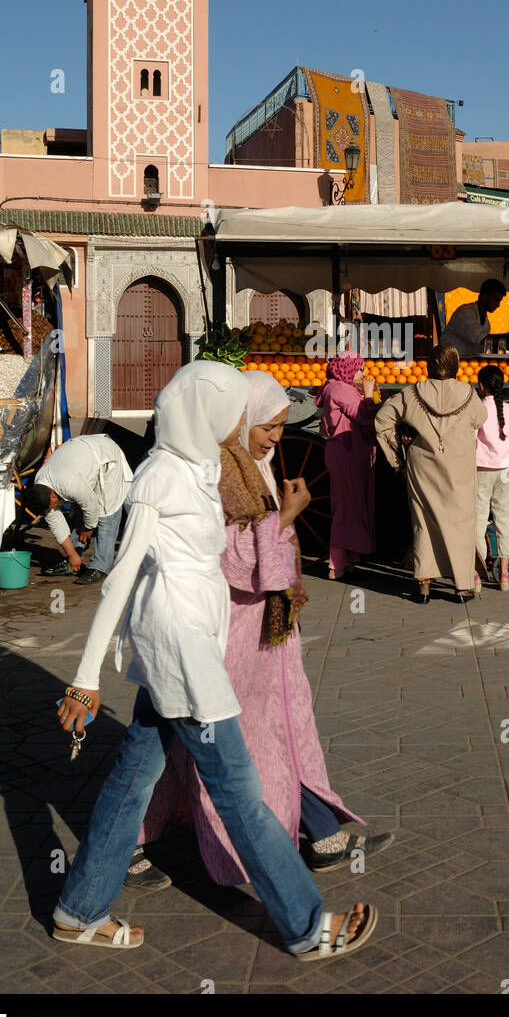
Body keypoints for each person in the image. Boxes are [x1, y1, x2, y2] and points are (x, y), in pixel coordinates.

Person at [52, 362, 376, 959]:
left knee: (133, 781)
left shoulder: (204, 469)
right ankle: (305, 925)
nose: (241, 426)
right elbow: (119, 580)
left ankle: (78, 909)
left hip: (192, 645)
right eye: (230, 414)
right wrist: (83, 679)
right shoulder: (160, 478)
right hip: (181, 652)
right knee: (238, 789)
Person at [135, 370, 394, 879]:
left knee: (277, 733)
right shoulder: (212, 472)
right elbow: (233, 559)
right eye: (267, 427)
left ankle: (320, 833)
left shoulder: (255, 467)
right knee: (182, 749)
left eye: (281, 426)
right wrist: (288, 516)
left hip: (264, 634)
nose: (276, 437)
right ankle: (135, 844)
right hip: (227, 633)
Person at [375, 343, 487, 603]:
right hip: (459, 468)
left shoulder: (410, 393)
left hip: (421, 467)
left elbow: (381, 421)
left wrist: (398, 458)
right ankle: (461, 588)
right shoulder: (469, 394)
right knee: (461, 524)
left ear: (429, 365)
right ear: (456, 365)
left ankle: (424, 586)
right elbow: (480, 419)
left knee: (423, 523)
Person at [27, 435, 133, 585]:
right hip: (82, 461)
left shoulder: (70, 484)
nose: (50, 510)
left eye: (51, 506)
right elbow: (56, 524)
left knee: (106, 516)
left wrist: (89, 527)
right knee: (78, 514)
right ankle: (74, 558)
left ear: (52, 494)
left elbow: (92, 506)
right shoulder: (41, 483)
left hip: (106, 456)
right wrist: (71, 554)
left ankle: (100, 567)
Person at [314, 352, 377, 580]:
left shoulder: (337, 387)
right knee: (345, 505)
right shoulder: (341, 390)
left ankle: (349, 557)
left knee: (351, 503)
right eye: (360, 369)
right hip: (346, 452)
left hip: (347, 451)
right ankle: (336, 563)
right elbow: (363, 415)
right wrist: (369, 395)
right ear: (348, 369)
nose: (363, 373)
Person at [474, 364, 509, 594]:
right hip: (505, 470)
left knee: (478, 521)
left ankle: (476, 576)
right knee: (504, 520)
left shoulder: (477, 409)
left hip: (481, 470)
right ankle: (504, 574)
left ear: (480, 386)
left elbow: (470, 439)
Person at [439, 279, 507, 361]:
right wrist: (506, 338)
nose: (498, 305)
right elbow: (478, 337)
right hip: (448, 362)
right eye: (495, 300)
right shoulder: (464, 312)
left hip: (467, 364)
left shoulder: (486, 324)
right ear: (484, 296)